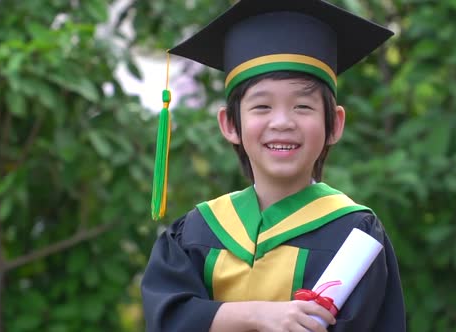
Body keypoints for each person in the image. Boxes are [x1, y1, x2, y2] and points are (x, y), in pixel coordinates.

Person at [141, 0, 406, 331]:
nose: (282, 122)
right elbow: (168, 318)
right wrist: (261, 315)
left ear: (334, 124)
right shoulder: (196, 232)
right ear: (230, 125)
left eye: (302, 106)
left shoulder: (353, 235)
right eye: (262, 106)